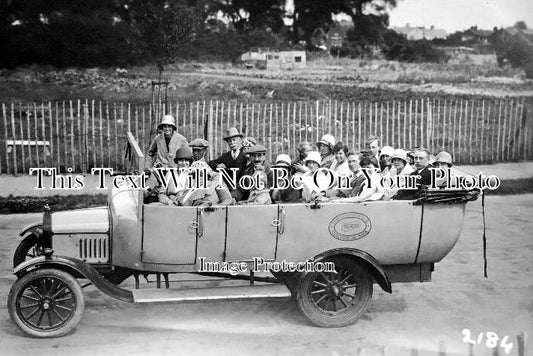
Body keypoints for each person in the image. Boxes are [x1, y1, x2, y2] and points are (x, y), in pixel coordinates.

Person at [208, 127, 248, 200]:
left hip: (243, 191)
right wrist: (218, 165)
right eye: (230, 141)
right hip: (227, 190)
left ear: (239, 140)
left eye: (234, 140)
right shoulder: (225, 156)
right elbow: (211, 163)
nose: (232, 143)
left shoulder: (245, 156)